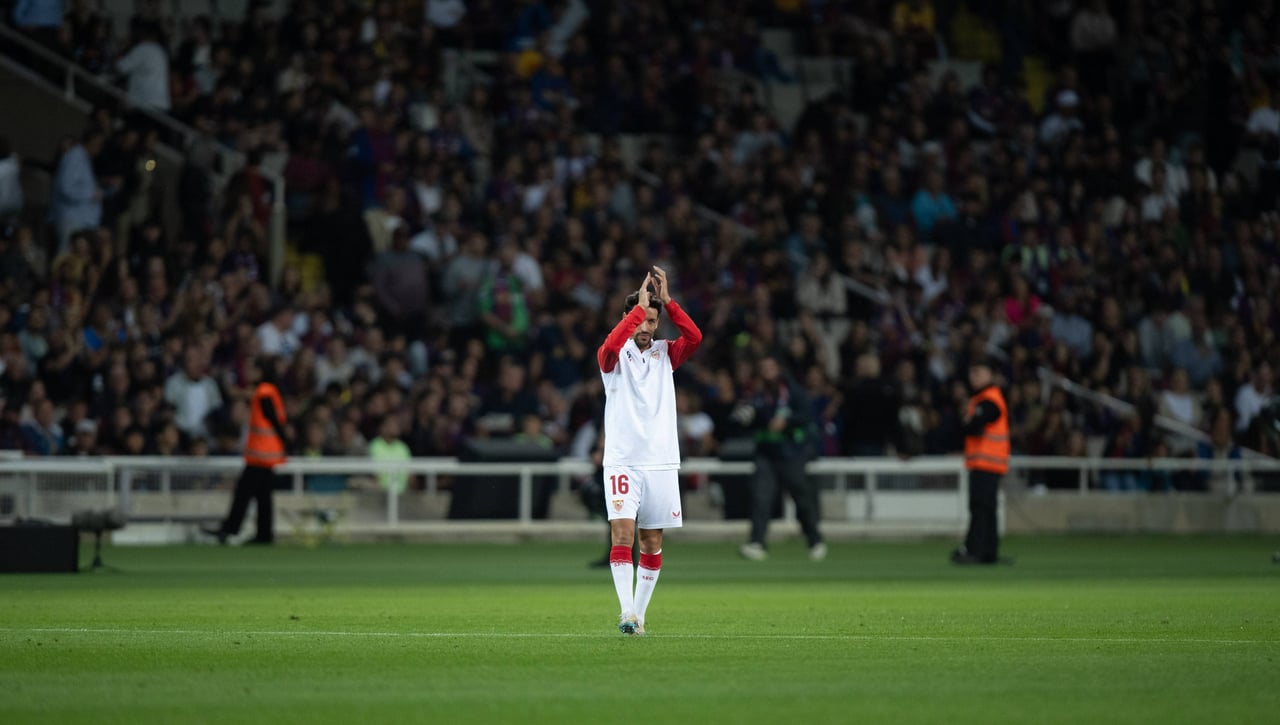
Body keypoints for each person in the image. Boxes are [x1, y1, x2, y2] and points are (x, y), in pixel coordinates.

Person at [597, 266, 701, 636]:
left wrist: (668, 303)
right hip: (623, 461)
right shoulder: (613, 357)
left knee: (652, 541)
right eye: (640, 319)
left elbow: (695, 336)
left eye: (652, 321)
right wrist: (638, 310)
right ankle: (625, 610)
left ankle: (638, 617)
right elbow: (608, 348)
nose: (645, 327)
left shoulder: (665, 353)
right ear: (628, 318)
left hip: (660, 461)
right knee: (622, 534)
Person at [737, 355, 826, 562]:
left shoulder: (793, 392)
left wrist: (787, 421)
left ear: (779, 368)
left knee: (801, 498)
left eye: (771, 367)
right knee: (761, 497)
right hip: (766, 453)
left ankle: (815, 539)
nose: (767, 371)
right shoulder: (758, 394)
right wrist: (746, 417)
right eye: (764, 368)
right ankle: (757, 542)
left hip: (790, 453)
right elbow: (747, 421)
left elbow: (808, 415)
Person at [204, 358, 290, 545]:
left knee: (244, 492)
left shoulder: (263, 391)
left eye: (251, 369)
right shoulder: (268, 390)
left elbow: (272, 419)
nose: (248, 373)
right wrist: (285, 442)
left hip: (261, 452)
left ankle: (231, 528)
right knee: (263, 495)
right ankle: (264, 534)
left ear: (260, 371)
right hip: (267, 452)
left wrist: (286, 441)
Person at [952, 356, 1010, 565]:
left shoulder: (989, 399)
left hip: (987, 463)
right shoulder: (983, 399)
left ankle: (975, 551)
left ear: (990, 375)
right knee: (986, 508)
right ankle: (988, 552)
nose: (974, 377)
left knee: (980, 507)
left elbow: (972, 426)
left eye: (979, 372)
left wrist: (969, 420)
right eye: (972, 373)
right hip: (987, 463)